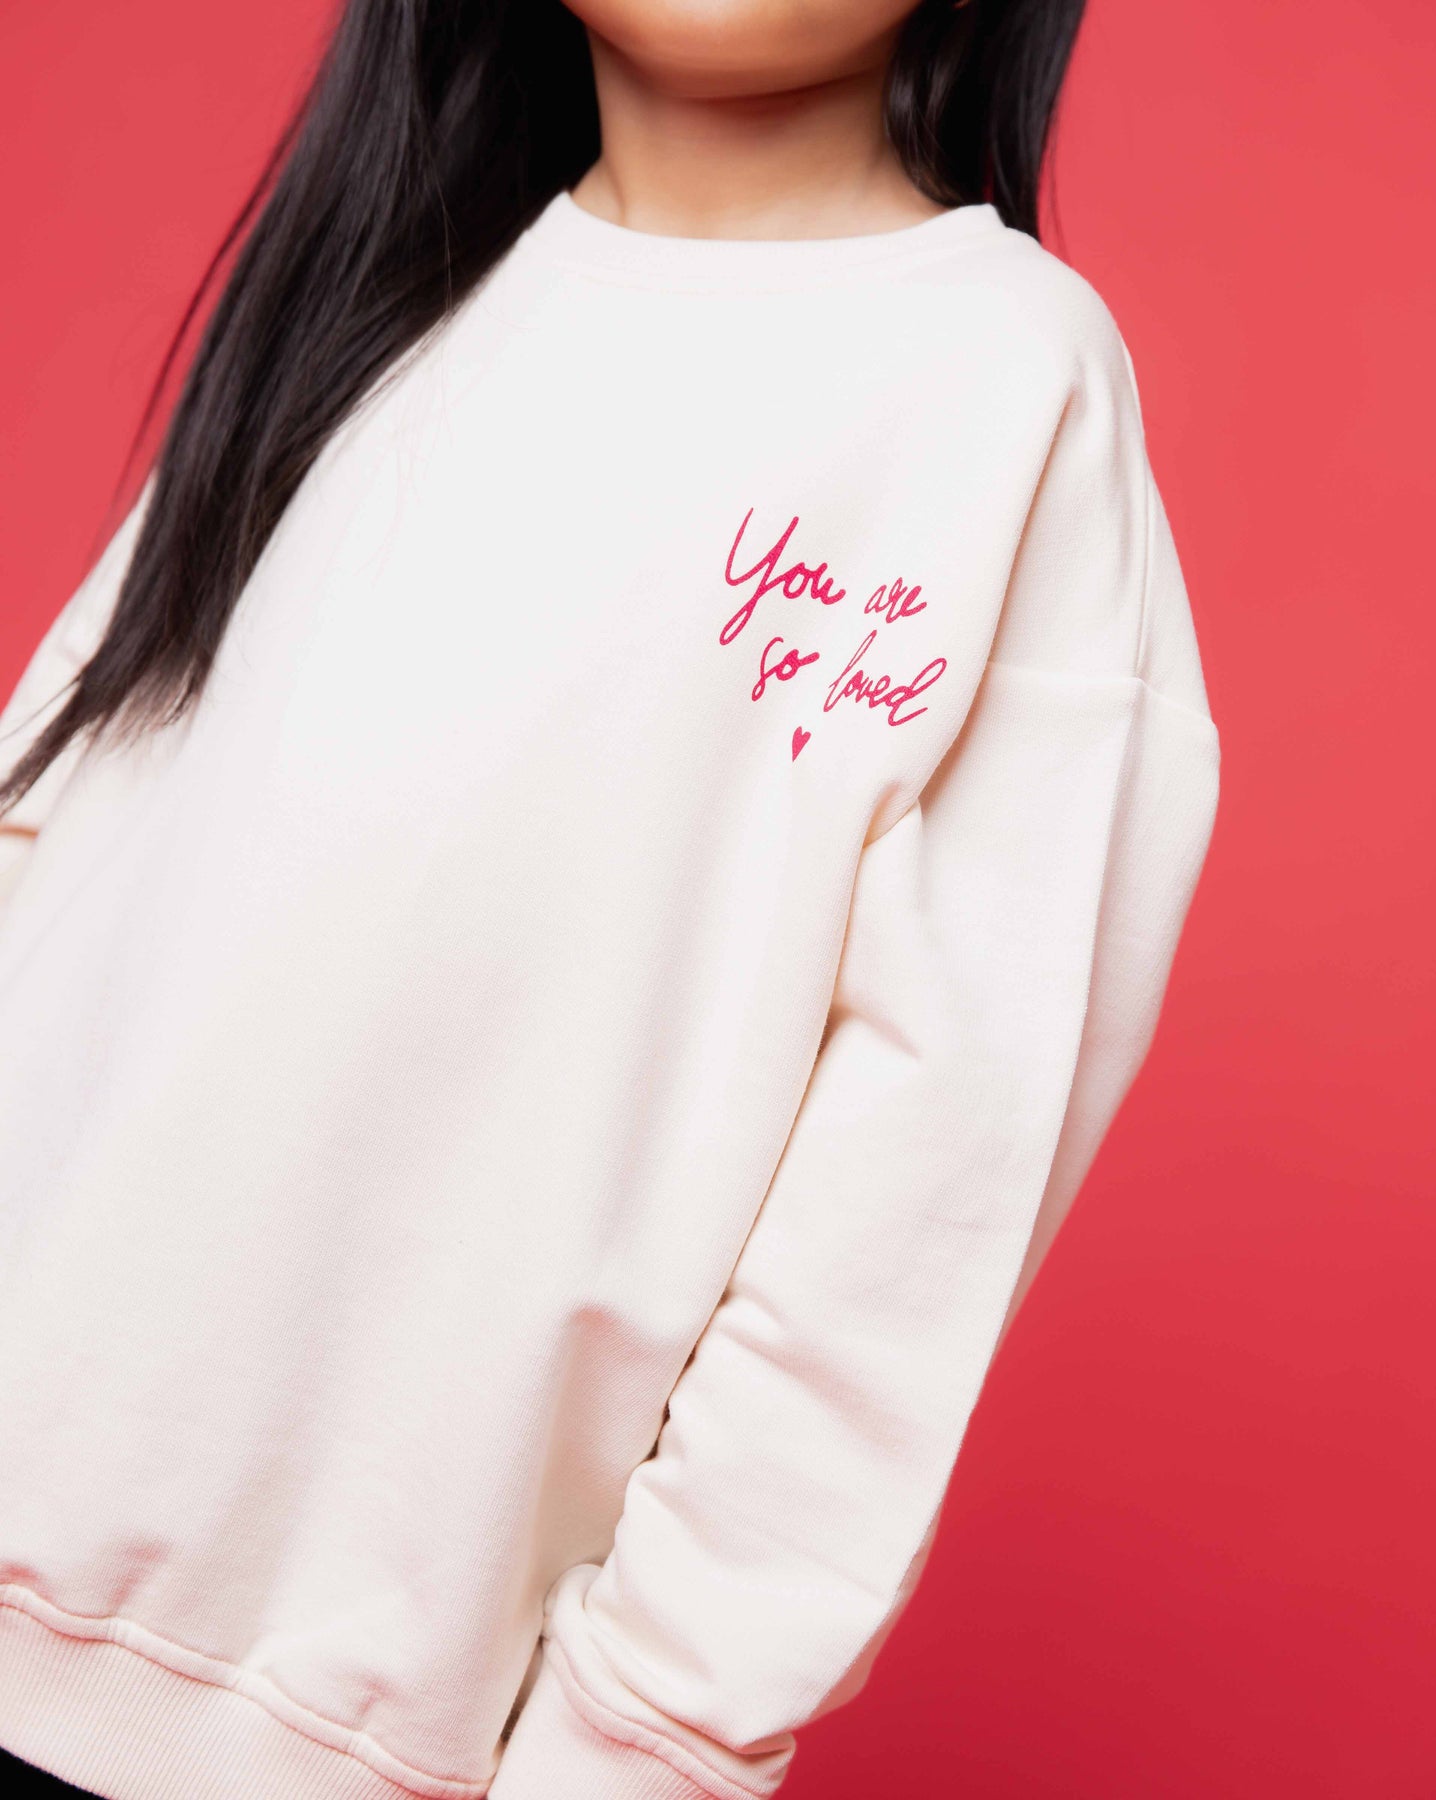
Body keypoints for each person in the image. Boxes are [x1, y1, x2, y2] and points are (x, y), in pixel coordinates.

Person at [0, 2, 1220, 1795]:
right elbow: (48, 833)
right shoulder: (385, 289)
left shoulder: (1003, 383)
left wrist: (638, 1745)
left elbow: (912, 1209)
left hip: (316, 1736)